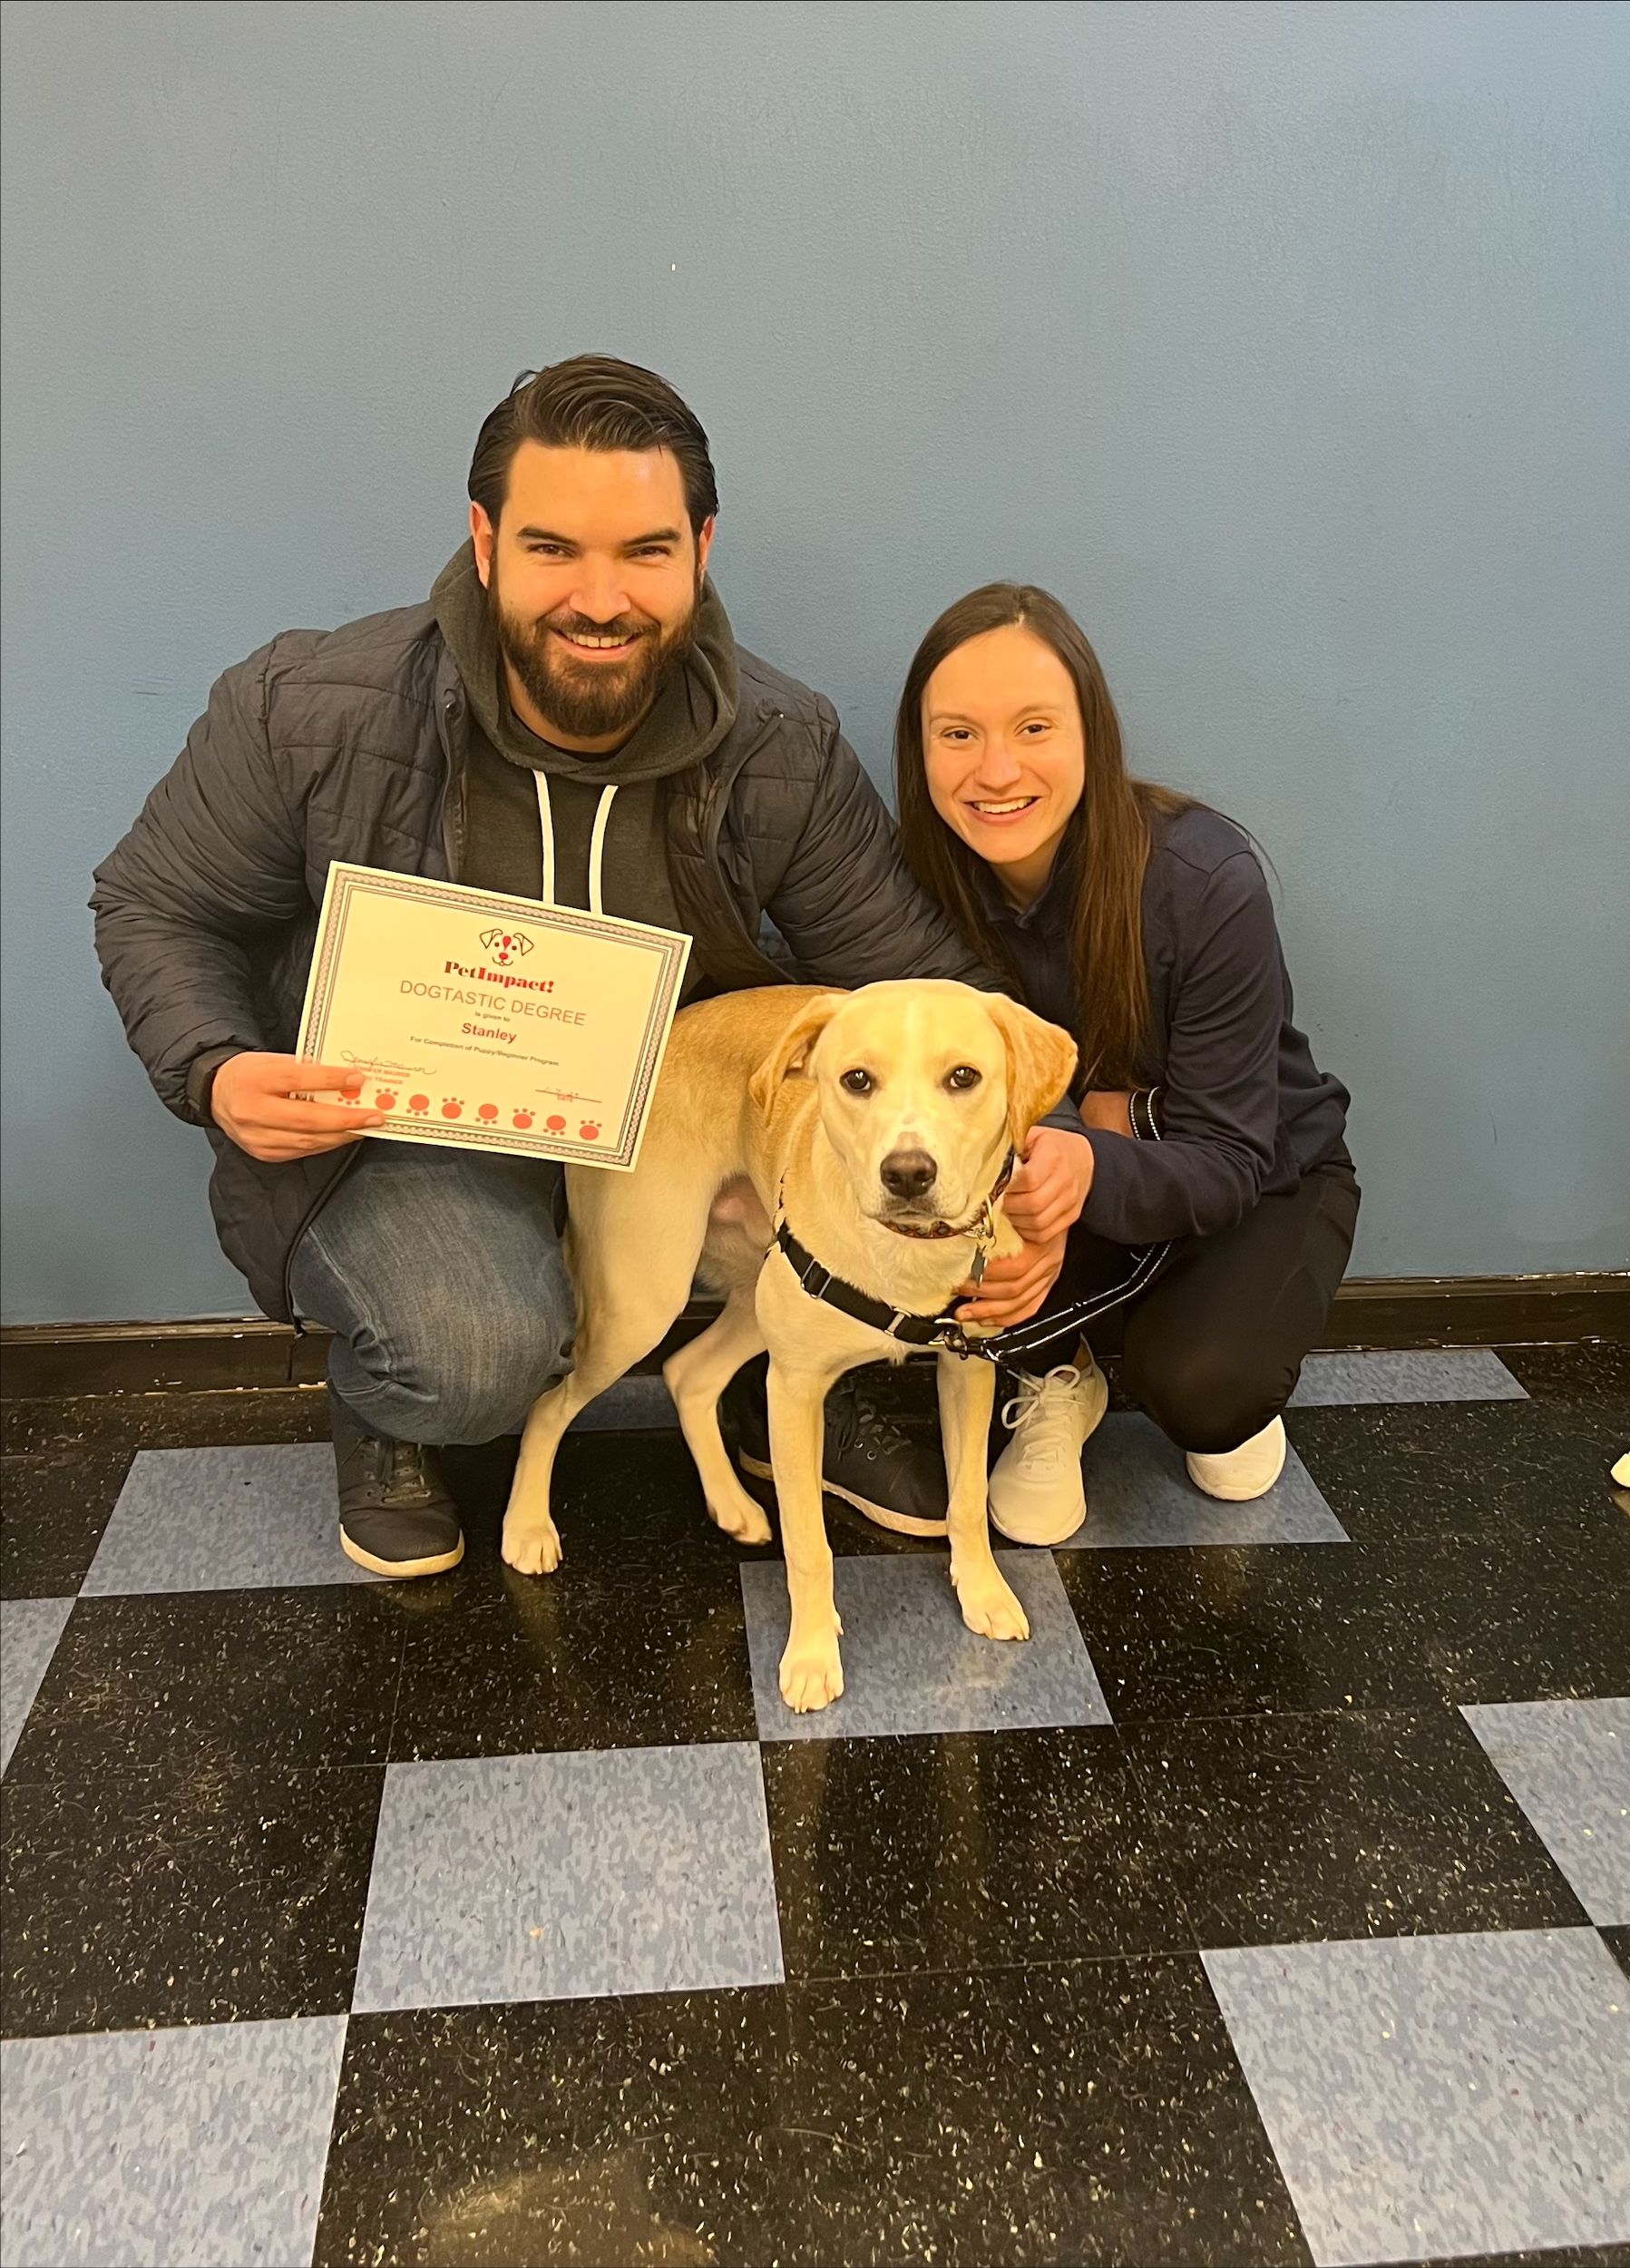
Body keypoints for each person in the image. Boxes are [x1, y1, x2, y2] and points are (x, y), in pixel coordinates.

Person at [93, 357, 1037, 1579]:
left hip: (673, 1130)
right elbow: (154, 903)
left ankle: (778, 1374)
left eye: (644, 551)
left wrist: (1036, 1141)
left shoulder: (782, 747)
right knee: (473, 1356)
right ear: (483, 544)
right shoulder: (307, 708)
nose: (601, 598)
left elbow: (910, 982)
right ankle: (390, 1405)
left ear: (700, 547)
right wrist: (216, 1070)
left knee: (865, 1183)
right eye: (553, 549)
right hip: (414, 1140)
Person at [895, 583, 1360, 1544]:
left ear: (1091, 734)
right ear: (919, 749)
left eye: (1033, 727)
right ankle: (1059, 1371)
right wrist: (1048, 1196)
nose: (995, 770)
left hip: (1258, 1172)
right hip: (1043, 1172)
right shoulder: (913, 885)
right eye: (956, 734)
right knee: (933, 1278)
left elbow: (1230, 1154)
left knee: (1205, 1390)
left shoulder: (1201, 878)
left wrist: (1086, 1175)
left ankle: (1164, 1338)